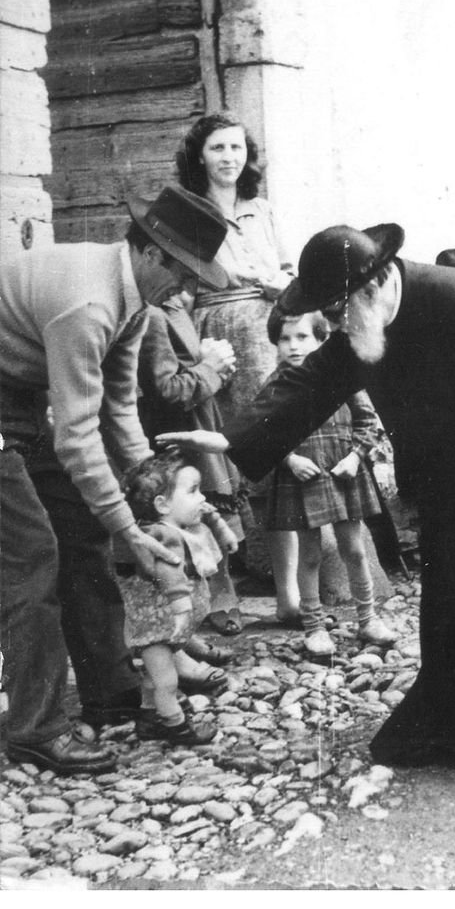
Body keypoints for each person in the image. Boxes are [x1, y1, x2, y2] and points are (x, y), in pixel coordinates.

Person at [157, 223, 455, 800]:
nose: (329, 327)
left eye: (335, 312)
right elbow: (312, 382)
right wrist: (232, 441)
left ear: (376, 283)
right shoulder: (364, 319)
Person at [0, 185, 228, 774]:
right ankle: (34, 728)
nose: (187, 290)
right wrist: (134, 531)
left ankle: (110, 690)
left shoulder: (135, 303)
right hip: (8, 406)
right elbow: (77, 435)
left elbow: (119, 412)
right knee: (33, 558)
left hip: (18, 398)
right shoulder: (90, 304)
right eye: (183, 274)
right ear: (150, 254)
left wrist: (145, 506)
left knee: (83, 529)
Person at [176, 111, 299, 616]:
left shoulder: (260, 209)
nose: (229, 158)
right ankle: (224, 589)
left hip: (269, 325)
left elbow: (287, 266)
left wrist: (283, 285)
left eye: (236, 148)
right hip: (217, 330)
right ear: (199, 157)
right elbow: (193, 277)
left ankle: (289, 585)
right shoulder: (188, 210)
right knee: (222, 455)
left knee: (274, 441)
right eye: (217, 149)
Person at [265, 309, 396, 657]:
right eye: (284, 338)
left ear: (322, 340)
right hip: (303, 477)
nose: (293, 346)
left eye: (302, 337)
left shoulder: (341, 377)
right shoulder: (276, 387)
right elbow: (263, 433)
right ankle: (314, 626)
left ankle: (368, 618)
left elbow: (368, 422)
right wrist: (290, 459)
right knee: (309, 555)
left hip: (343, 473)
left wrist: (355, 458)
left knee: (353, 549)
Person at [137, 289, 245, 640]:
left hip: (201, 415)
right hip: (172, 424)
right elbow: (165, 388)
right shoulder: (151, 312)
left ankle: (221, 586)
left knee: (212, 500)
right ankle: (184, 600)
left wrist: (214, 367)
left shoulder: (176, 304)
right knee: (179, 507)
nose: (186, 287)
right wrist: (211, 369)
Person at [117, 451, 233, 744]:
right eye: (192, 491)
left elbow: (208, 511)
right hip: (158, 628)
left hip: (164, 628)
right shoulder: (160, 536)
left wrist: (223, 530)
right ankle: (177, 727)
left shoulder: (179, 526)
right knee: (166, 681)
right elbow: (170, 574)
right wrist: (182, 609)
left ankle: (148, 719)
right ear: (162, 504)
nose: (201, 497)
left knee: (151, 679)